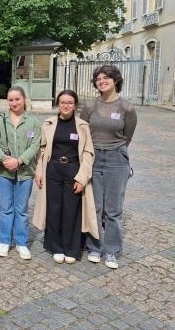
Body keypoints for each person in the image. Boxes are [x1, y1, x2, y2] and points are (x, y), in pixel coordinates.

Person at [80, 65, 137, 270]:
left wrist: (114, 151)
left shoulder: (127, 107)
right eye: (98, 78)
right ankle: (94, 246)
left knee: (113, 209)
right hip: (93, 157)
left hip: (116, 160)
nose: (101, 81)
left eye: (106, 77)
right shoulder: (89, 106)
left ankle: (112, 251)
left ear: (115, 80)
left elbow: (127, 136)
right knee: (94, 206)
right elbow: (82, 133)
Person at [33, 90, 98, 264]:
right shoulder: (48, 124)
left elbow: (88, 152)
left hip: (73, 171)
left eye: (70, 102)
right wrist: (39, 171)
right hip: (53, 170)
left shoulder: (82, 126)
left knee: (72, 210)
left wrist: (82, 178)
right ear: (58, 104)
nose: (66, 105)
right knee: (54, 208)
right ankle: (56, 247)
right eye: (63, 102)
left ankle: (71, 248)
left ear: (75, 105)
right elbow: (41, 150)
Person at [0, 86, 40, 259]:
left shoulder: (33, 122)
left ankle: (21, 242)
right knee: (6, 208)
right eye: (11, 100)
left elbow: (35, 145)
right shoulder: (0, 120)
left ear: (24, 99)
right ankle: (4, 241)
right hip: (4, 172)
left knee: (22, 209)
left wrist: (19, 160)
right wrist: (4, 159)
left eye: (17, 99)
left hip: (25, 172)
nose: (14, 102)